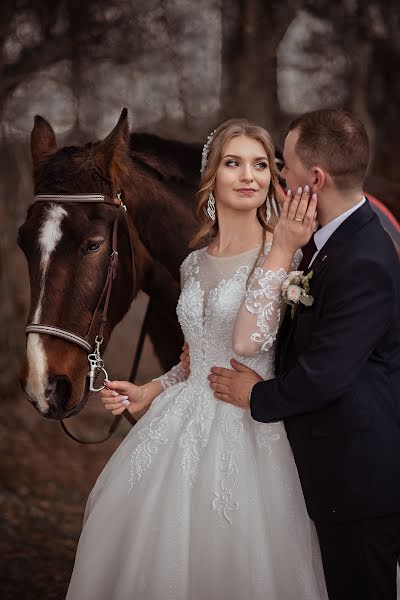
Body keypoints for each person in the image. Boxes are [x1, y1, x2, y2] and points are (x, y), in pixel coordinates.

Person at [66, 118, 328, 600]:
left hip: (255, 429)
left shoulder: (286, 255)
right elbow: (199, 357)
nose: (249, 175)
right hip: (181, 428)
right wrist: (149, 390)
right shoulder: (192, 263)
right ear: (212, 176)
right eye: (234, 163)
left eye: (260, 165)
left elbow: (269, 348)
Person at [208, 109, 400, 600]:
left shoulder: (366, 258)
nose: (277, 176)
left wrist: (259, 396)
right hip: (328, 465)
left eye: (284, 166)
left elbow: (325, 373)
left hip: (359, 476)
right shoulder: (329, 241)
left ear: (314, 179)